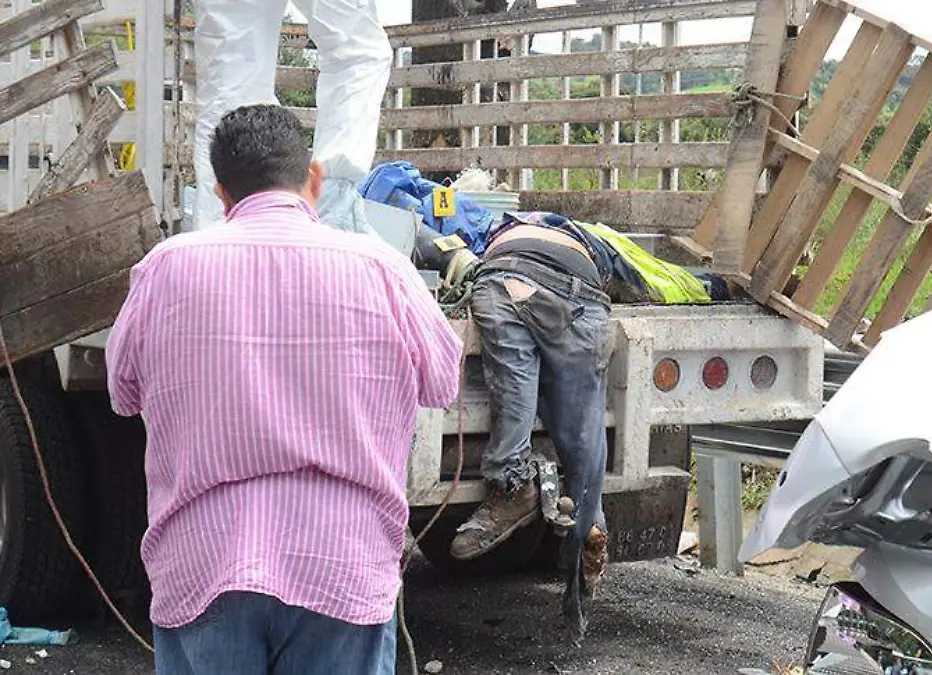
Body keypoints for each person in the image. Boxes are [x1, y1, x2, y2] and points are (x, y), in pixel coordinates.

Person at [106, 104, 462, 674]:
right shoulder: (383, 268)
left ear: (222, 194)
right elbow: (443, 381)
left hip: (204, 557)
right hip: (342, 559)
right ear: (313, 179)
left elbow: (122, 393)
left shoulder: (165, 268)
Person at [412, 211, 614, 639]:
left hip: (508, 282)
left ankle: (512, 483)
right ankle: (591, 521)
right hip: (587, 301)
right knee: (583, 434)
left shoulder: (496, 237)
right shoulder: (582, 236)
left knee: (516, 378)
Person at [191, 0, 392, 233]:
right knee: (357, 50)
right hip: (323, 210)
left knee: (230, 83)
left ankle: (219, 236)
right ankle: (329, 207)